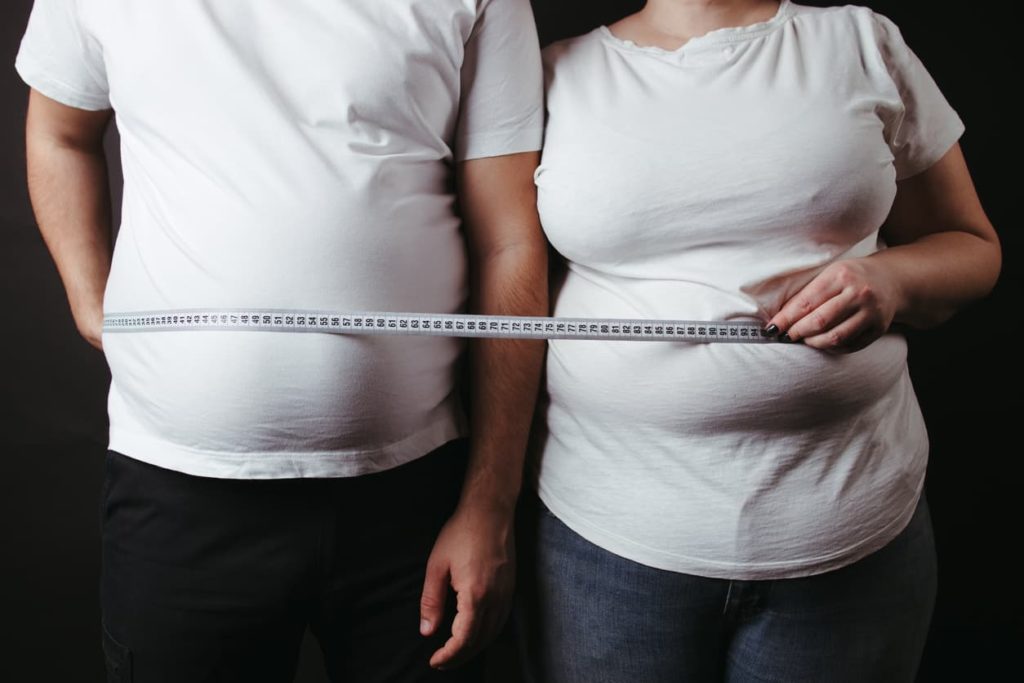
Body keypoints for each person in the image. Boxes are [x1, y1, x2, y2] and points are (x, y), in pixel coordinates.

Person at [16, 1, 547, 681]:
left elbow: (508, 237)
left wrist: (489, 501)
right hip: (178, 495)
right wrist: (91, 300)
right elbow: (59, 131)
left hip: (417, 501)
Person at [523, 1, 1000, 681]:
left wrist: (890, 279)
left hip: (850, 536)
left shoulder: (859, 41)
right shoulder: (555, 73)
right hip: (606, 544)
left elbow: (974, 248)